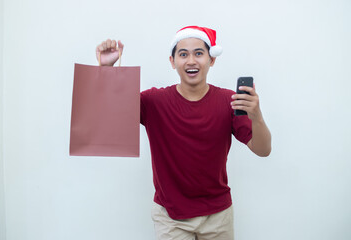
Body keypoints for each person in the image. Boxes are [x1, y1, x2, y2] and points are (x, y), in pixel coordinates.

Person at [95, 26, 271, 240]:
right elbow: (109, 115)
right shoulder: (153, 102)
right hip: (170, 216)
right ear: (172, 61)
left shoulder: (229, 101)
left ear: (211, 59)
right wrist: (106, 70)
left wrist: (257, 115)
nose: (191, 61)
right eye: (183, 54)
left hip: (218, 215)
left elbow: (263, 150)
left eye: (199, 53)